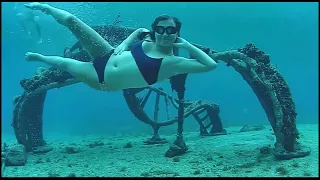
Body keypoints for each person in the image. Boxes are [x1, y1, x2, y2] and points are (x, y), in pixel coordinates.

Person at [24, 2, 217, 92]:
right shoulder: (147, 39)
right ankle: (46, 7)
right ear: (155, 31)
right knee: (72, 20)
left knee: (66, 63)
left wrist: (187, 45)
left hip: (101, 79)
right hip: (107, 55)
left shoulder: (174, 62)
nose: (165, 34)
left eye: (170, 30)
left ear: (176, 33)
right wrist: (124, 44)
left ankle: (39, 57)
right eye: (160, 29)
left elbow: (210, 66)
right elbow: (139, 31)